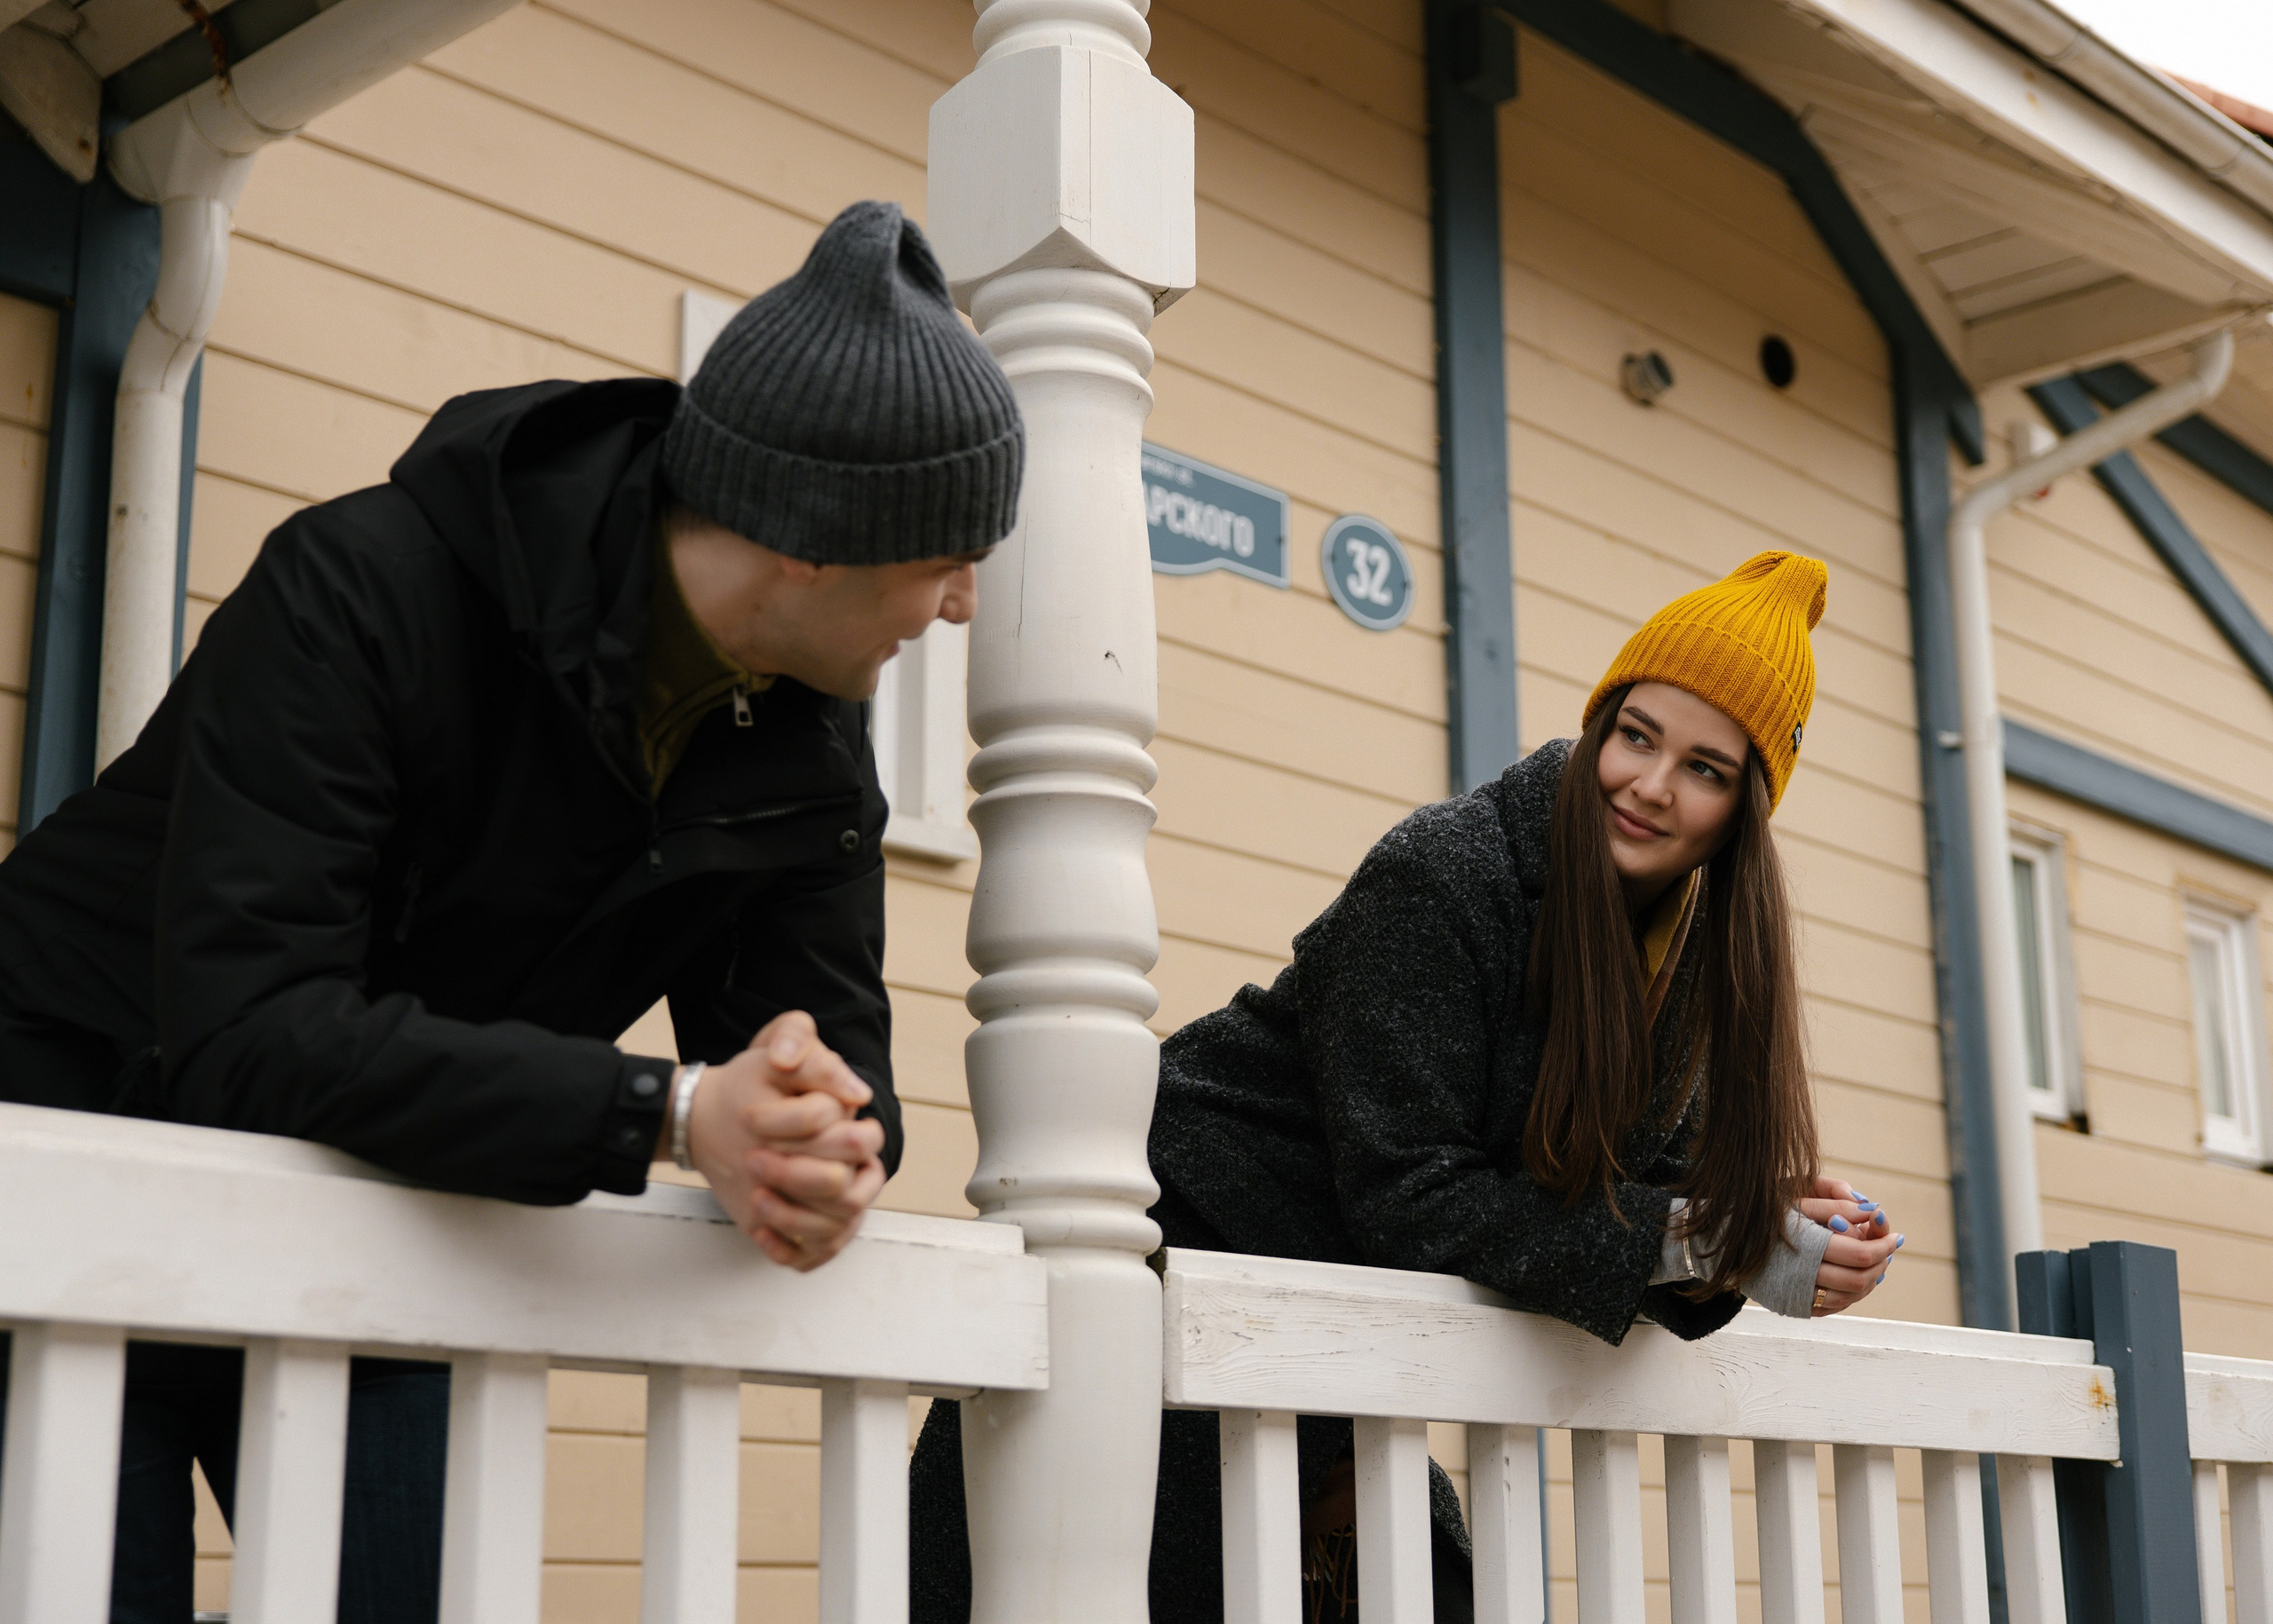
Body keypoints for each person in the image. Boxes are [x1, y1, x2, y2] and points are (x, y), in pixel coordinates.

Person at [0, 201, 1022, 1624]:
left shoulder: (808, 745)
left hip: (394, 1202)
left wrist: (820, 1137)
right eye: (948, 551)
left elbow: (820, 1060)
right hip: (66, 1171)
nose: (966, 601)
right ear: (814, 538)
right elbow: (248, 1030)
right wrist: (667, 1116)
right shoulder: (359, 590)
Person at [909, 550, 1904, 1624]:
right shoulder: (1444, 871)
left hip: (1339, 1357)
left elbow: (1640, 1201)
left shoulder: (1703, 959)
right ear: (1601, 722)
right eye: (1636, 734)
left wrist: (1756, 1231)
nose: (1650, 785)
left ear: (1747, 806)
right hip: (1170, 1277)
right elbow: (1410, 1193)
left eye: (1706, 768)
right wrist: (1703, 1235)